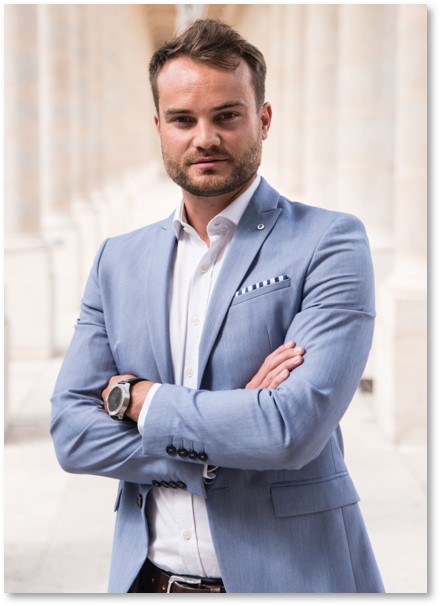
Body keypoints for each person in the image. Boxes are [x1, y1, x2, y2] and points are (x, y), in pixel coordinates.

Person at [51, 18, 384, 593]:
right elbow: (72, 432)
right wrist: (229, 428)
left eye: (226, 115)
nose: (204, 137)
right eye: (183, 119)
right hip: (147, 582)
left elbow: (290, 431)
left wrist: (139, 398)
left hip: (293, 580)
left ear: (264, 119)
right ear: (159, 127)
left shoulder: (331, 242)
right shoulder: (117, 260)